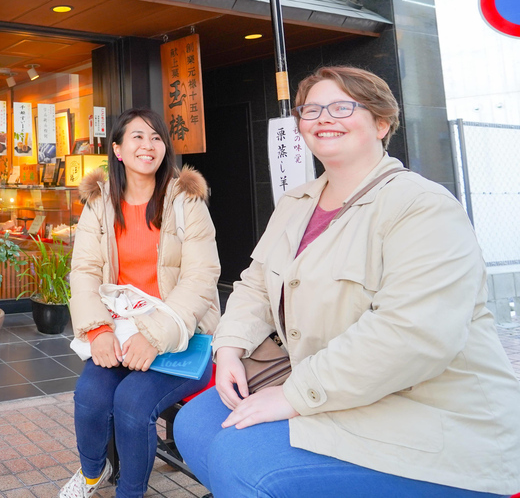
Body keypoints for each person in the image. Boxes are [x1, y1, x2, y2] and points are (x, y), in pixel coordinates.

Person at [174, 66, 520, 498]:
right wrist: (228, 349)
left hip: (425, 409)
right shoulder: (295, 203)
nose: (323, 118)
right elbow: (256, 283)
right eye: (311, 109)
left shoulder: (422, 206)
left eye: (341, 107)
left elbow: (412, 334)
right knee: (195, 423)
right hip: (338, 389)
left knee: (243, 462)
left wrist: (293, 396)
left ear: (381, 122)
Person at [60, 108, 220, 498]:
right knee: (91, 397)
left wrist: (155, 335)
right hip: (119, 329)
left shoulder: (187, 202)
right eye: (137, 137)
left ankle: (129, 492)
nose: (148, 146)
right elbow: (83, 271)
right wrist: (97, 331)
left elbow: (201, 278)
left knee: (132, 404)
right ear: (117, 149)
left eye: (156, 138)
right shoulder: (99, 204)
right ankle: (94, 473)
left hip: (182, 332)